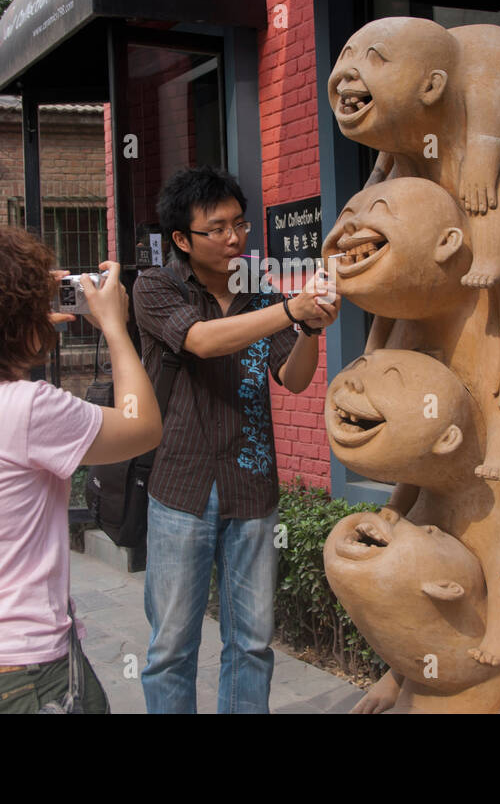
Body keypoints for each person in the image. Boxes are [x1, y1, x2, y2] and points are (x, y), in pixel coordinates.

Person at [0, 224, 161, 713]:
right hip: (21, 680)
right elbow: (141, 426)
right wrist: (116, 327)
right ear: (15, 320)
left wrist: (21, 321)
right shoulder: (26, 409)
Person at [133, 168, 340, 713]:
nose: (234, 239)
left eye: (240, 225)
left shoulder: (261, 292)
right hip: (180, 487)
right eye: (217, 228)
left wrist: (311, 331)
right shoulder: (157, 287)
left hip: (252, 489)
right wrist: (292, 309)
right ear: (182, 239)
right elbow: (201, 342)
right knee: (172, 645)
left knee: (251, 644)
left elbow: (292, 378)